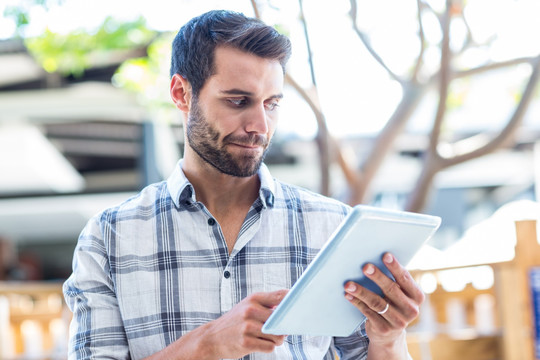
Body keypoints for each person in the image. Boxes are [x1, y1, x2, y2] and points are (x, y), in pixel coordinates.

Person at [63, 9, 424, 360]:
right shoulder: (108, 239)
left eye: (272, 104)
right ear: (181, 93)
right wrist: (205, 346)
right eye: (239, 101)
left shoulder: (333, 228)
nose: (260, 126)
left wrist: (389, 340)